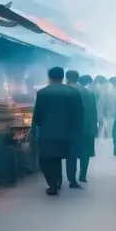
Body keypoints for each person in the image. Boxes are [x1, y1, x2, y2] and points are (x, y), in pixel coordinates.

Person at [32, 67, 83, 195]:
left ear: (49, 77)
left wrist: (39, 123)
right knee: (67, 156)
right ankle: (71, 180)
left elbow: (37, 114)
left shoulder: (42, 93)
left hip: (48, 133)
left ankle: (53, 184)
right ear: (63, 77)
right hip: (68, 133)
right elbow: (80, 113)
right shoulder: (73, 92)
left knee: (48, 159)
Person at [72, 74, 99, 184]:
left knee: (72, 153)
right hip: (87, 128)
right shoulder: (89, 93)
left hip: (73, 128)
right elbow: (94, 112)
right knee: (85, 153)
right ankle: (82, 175)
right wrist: (95, 128)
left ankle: (72, 178)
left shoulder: (70, 91)